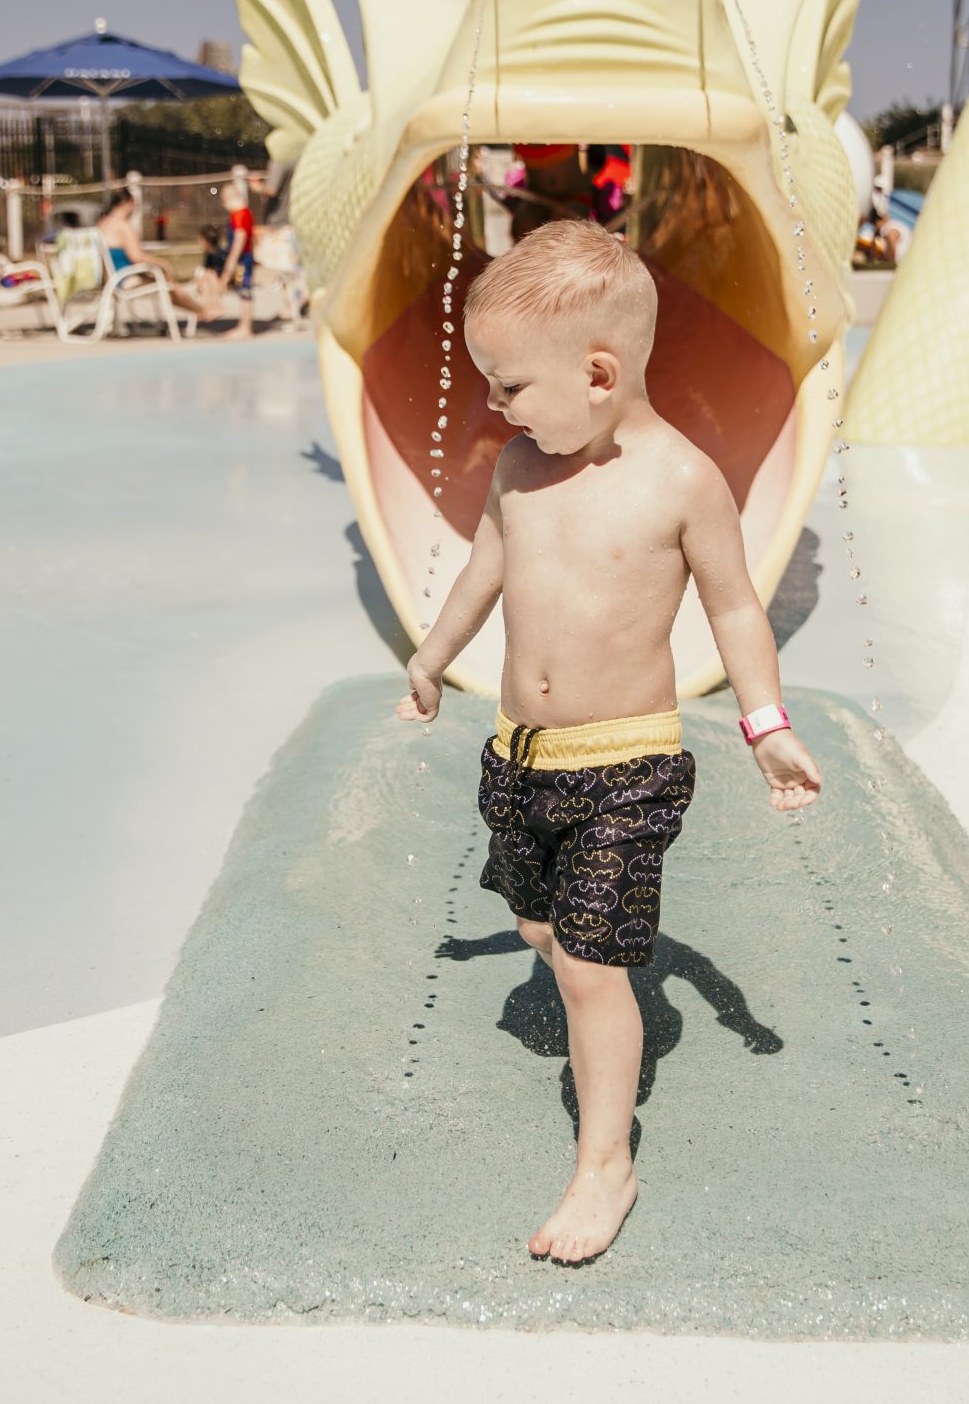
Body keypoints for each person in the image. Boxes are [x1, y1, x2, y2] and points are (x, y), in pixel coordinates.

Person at [394, 219, 822, 1265]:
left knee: (588, 968)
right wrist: (429, 652)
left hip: (625, 768)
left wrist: (765, 723)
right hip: (520, 759)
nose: (494, 405)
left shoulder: (680, 481)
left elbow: (731, 612)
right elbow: (484, 569)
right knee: (538, 926)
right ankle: (573, 956)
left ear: (598, 370)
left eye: (508, 385)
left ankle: (604, 1163)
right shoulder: (518, 469)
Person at [95, 190, 219, 324]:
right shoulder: (123, 227)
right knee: (169, 283)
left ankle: (202, 310)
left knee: (166, 282)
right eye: (134, 204)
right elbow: (137, 257)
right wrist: (162, 263)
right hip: (125, 280)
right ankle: (203, 311)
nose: (136, 208)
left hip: (110, 279)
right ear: (126, 203)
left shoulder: (102, 224)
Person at [216, 180, 256, 339]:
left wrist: (230, 263)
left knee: (245, 291)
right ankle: (244, 325)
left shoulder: (241, 214)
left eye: (224, 200)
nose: (224, 204)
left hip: (242, 260)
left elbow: (240, 240)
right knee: (243, 291)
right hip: (244, 258)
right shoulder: (241, 214)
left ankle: (246, 327)